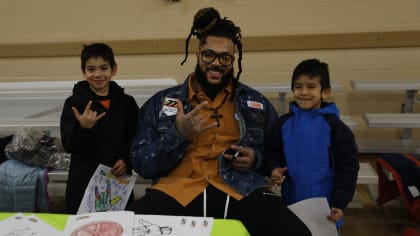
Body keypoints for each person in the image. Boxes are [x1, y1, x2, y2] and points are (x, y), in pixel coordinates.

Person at [129, 7, 311, 236]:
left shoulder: (256, 102)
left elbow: (277, 155)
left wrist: (256, 159)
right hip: (177, 189)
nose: (216, 63)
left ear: (233, 60)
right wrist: (178, 134)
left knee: (296, 233)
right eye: (209, 55)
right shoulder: (162, 103)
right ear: (197, 55)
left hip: (241, 189)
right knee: (130, 231)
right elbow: (142, 164)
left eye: (225, 57)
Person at [264, 58, 360, 228]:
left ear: (325, 92)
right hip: (291, 200)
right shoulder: (283, 124)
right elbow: (273, 151)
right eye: (298, 86)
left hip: (326, 207)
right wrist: (274, 168)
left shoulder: (337, 129)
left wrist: (339, 203)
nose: (303, 92)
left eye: (311, 86)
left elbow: (348, 167)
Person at [60, 43, 139, 214]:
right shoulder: (74, 103)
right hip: (83, 183)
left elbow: (134, 137)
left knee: (119, 227)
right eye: (91, 69)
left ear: (114, 69)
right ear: (84, 71)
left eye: (103, 68)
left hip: (118, 181)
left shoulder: (127, 103)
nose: (97, 75)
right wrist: (84, 128)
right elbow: (69, 145)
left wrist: (126, 159)